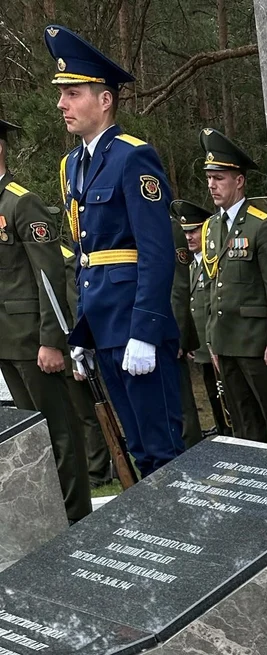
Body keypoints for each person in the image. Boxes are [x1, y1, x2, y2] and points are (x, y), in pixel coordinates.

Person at [45, 23, 184, 476]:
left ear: (105, 99)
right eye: (61, 94)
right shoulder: (72, 165)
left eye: (73, 93)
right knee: (138, 452)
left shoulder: (132, 156)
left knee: (163, 452)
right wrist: (82, 331)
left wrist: (145, 331)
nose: (62, 103)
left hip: (133, 324)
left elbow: (156, 252)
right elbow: (84, 255)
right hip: (102, 326)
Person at [0, 115, 91, 523]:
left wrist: (51, 341)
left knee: (58, 433)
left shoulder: (21, 202)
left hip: (31, 340)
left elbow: (50, 275)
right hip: (5, 341)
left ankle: (74, 516)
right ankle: (47, 517)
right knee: (29, 437)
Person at [199, 128, 267, 446]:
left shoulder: (260, 225)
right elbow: (212, 286)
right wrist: (211, 339)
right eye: (209, 178)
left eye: (219, 178)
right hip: (225, 342)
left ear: (239, 181)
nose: (212, 185)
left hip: (255, 345)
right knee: (242, 422)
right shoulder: (211, 227)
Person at [60, 236, 116, 490]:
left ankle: (99, 469)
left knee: (88, 413)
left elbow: (76, 307)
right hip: (60, 349)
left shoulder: (64, 259)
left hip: (74, 349)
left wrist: (77, 350)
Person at [171, 197, 228, 434]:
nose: (188, 237)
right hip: (202, 349)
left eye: (194, 231)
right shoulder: (190, 265)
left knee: (231, 402)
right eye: (185, 232)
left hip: (220, 345)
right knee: (215, 400)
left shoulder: (214, 261)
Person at [169, 215, 202, 447]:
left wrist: (177, 334)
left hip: (167, 329)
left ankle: (191, 453)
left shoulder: (167, 226)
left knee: (181, 406)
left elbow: (178, 286)